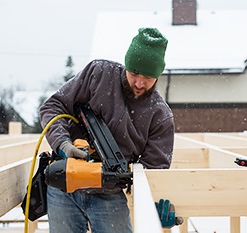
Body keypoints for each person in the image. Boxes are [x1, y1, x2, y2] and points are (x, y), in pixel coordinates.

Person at [40, 27, 175, 233]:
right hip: (64, 185)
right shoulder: (99, 74)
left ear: (158, 75)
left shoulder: (160, 115)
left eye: (148, 77)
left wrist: (154, 207)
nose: (139, 82)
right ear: (126, 65)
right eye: (134, 73)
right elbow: (53, 106)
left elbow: (154, 169)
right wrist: (63, 144)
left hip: (109, 195)